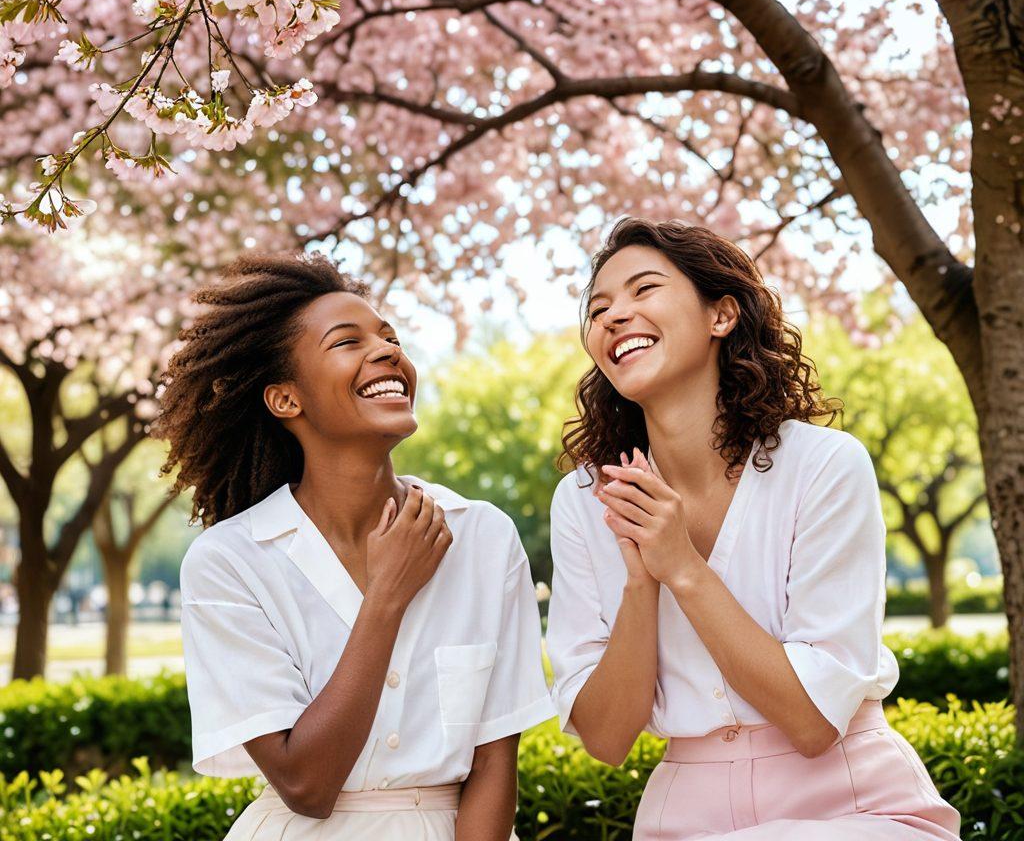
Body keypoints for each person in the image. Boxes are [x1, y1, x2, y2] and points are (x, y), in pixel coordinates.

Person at [546, 217, 961, 839]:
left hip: (854, 802)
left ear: (722, 315)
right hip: (686, 813)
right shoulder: (583, 500)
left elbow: (813, 723)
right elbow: (606, 738)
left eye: (644, 289)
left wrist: (681, 566)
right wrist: (641, 583)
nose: (613, 316)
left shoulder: (823, 466)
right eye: (599, 308)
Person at [154, 251, 554, 841]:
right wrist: (387, 595)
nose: (387, 350)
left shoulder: (483, 536)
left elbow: (495, 762)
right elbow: (306, 785)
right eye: (347, 342)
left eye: (390, 337)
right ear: (286, 399)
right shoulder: (230, 562)